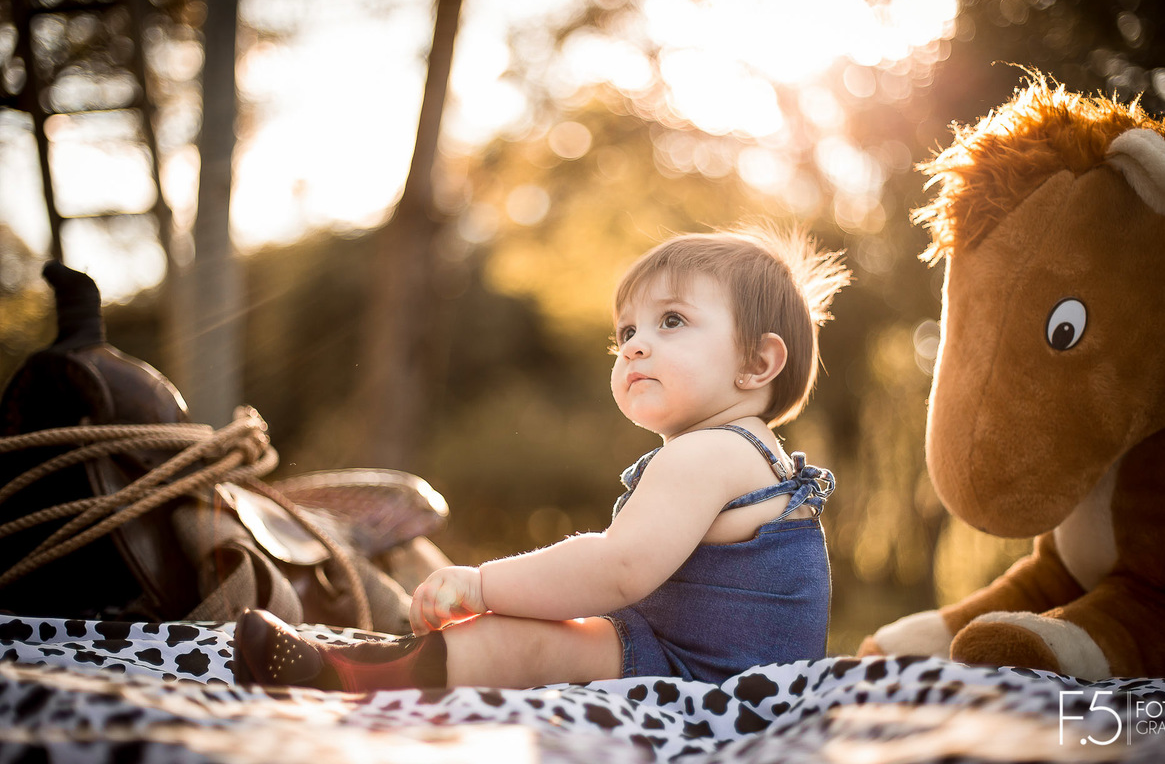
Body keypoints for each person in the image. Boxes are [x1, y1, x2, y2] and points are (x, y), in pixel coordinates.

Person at [233, 226, 851, 691]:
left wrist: (483, 585)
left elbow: (617, 569)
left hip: (710, 692)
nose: (635, 347)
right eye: (626, 332)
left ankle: (344, 675)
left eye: (671, 320)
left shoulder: (711, 454)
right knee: (540, 638)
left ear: (757, 363)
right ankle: (366, 666)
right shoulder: (751, 456)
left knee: (515, 641)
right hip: (704, 670)